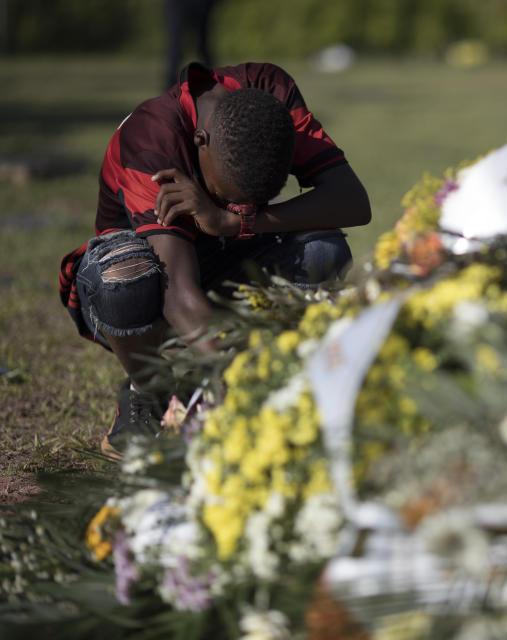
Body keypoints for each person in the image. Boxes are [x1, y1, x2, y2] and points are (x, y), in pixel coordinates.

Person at [58, 62, 371, 458]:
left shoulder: (268, 93)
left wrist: (234, 219)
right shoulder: (151, 137)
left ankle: (239, 371)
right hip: (146, 294)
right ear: (199, 140)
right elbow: (180, 298)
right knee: (126, 273)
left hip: (224, 258)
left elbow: (353, 200)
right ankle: (150, 392)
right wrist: (257, 390)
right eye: (231, 194)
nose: (244, 205)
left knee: (322, 249)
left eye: (253, 201)